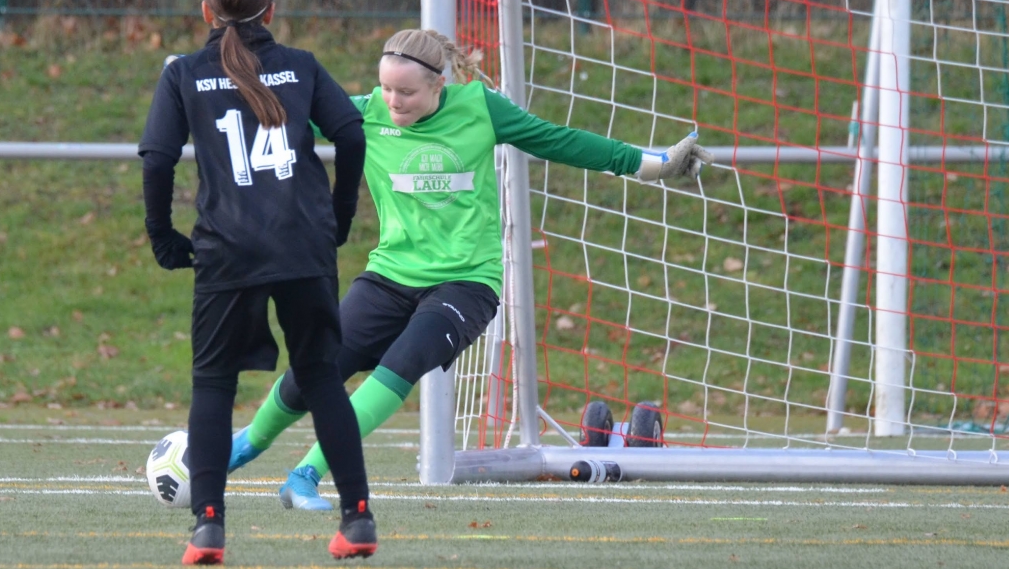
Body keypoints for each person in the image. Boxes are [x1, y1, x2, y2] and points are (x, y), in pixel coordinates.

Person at [230, 28, 708, 509]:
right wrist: (218, 88)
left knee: (399, 366)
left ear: (439, 84)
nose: (393, 100)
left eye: (406, 91)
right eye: (386, 88)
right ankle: (240, 448)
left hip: (466, 284)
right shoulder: (364, 112)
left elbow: (559, 141)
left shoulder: (480, 107)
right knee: (315, 368)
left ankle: (305, 475)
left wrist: (652, 164)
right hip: (389, 276)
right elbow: (280, 112)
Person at [138, 0, 376, 563]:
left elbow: (158, 158)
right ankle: (357, 519)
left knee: (214, 382)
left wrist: (163, 235)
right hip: (303, 243)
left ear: (205, 12)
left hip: (228, 248)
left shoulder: (184, 73)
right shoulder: (301, 65)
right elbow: (351, 134)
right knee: (321, 377)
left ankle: (208, 528)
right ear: (271, 11)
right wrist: (339, 216)